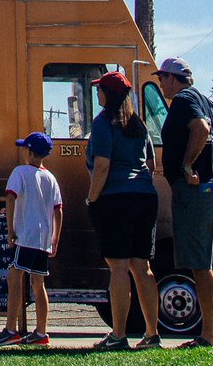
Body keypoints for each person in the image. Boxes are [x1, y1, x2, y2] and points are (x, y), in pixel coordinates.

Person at [155, 56, 213, 349]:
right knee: (212, 265)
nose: (160, 83)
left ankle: (209, 334)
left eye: (162, 77)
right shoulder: (206, 99)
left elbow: (202, 128)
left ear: (173, 78)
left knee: (200, 265)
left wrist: (187, 165)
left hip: (195, 192)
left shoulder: (185, 100)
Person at [85, 70, 160, 351]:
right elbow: (150, 165)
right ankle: (152, 334)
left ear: (108, 94)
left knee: (118, 266)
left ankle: (118, 334)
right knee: (142, 267)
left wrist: (92, 199)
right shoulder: (138, 124)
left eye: (99, 89)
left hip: (115, 198)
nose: (97, 93)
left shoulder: (104, 122)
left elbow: (102, 165)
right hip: (145, 196)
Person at [0, 131, 62, 348]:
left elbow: (11, 197)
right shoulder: (51, 178)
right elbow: (58, 210)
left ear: (29, 151)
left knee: (14, 276)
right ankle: (41, 332)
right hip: (43, 237)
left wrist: (10, 229)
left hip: (26, 235)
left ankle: (11, 330)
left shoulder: (19, 172)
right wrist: (55, 239)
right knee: (39, 283)